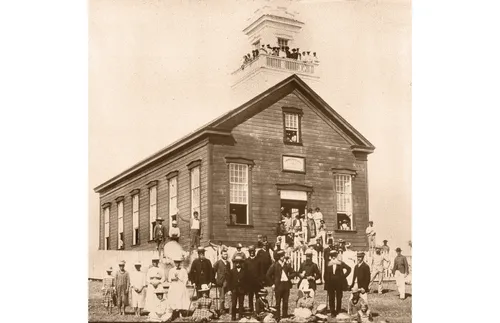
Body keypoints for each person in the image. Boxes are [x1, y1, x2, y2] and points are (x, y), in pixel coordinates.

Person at [266, 249, 296, 320]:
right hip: (278, 286)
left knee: (285, 301)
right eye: (282, 256)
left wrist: (288, 277)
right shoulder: (274, 265)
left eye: (283, 255)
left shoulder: (286, 265)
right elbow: (267, 275)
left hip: (286, 286)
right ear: (279, 257)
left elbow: (294, 273)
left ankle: (285, 315)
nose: (283, 257)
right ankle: (277, 316)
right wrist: (272, 284)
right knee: (278, 302)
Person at [324, 249, 351, 317]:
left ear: (336, 255)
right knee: (331, 297)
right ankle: (332, 311)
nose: (333, 257)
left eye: (334, 255)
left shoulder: (340, 263)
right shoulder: (328, 263)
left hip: (339, 282)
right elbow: (325, 273)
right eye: (332, 255)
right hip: (330, 283)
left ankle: (338, 310)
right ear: (330, 256)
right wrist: (326, 281)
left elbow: (349, 269)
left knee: (339, 297)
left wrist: (343, 276)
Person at [228, 255, 247, 321]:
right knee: (234, 304)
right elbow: (229, 281)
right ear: (235, 263)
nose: (238, 264)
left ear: (241, 263)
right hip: (234, 290)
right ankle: (233, 316)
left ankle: (240, 316)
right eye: (236, 262)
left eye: (239, 262)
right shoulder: (232, 271)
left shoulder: (244, 271)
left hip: (242, 290)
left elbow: (246, 281)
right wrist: (229, 290)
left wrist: (245, 290)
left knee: (241, 304)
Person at [213, 249, 231, 313]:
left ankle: (231, 310)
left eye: (226, 254)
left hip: (228, 282)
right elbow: (213, 271)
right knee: (222, 297)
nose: (225, 256)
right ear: (221, 255)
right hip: (221, 282)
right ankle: (221, 310)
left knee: (229, 296)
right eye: (224, 254)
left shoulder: (228, 263)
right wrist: (214, 280)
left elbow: (229, 272)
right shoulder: (218, 262)